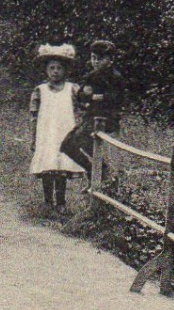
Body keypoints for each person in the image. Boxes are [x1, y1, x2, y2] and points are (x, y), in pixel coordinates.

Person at [28, 43, 85, 210]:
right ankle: (47, 201)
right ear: (46, 70)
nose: (55, 71)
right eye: (51, 68)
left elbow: (81, 110)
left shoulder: (72, 89)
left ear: (66, 70)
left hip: (65, 132)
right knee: (47, 166)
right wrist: (33, 137)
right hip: (46, 134)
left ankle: (61, 202)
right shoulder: (40, 90)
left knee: (61, 167)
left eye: (59, 68)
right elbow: (34, 115)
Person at [80, 39, 126, 135]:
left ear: (111, 60)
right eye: (93, 58)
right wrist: (87, 96)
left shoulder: (115, 77)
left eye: (100, 58)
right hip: (91, 115)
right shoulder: (90, 76)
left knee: (97, 141)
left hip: (108, 117)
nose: (96, 62)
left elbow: (117, 97)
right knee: (71, 141)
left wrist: (100, 97)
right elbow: (80, 95)